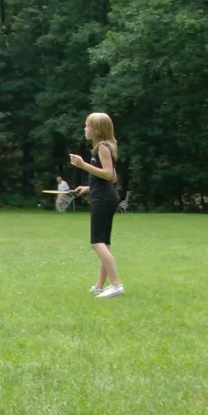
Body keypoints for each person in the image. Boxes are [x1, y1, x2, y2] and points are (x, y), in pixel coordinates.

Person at [69, 113, 124, 297]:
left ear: (97, 129)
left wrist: (83, 165)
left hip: (104, 198)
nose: (85, 129)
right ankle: (100, 286)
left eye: (87, 126)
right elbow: (113, 177)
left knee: (97, 242)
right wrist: (88, 187)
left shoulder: (102, 147)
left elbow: (108, 174)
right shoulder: (105, 147)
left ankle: (116, 284)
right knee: (104, 243)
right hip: (105, 195)